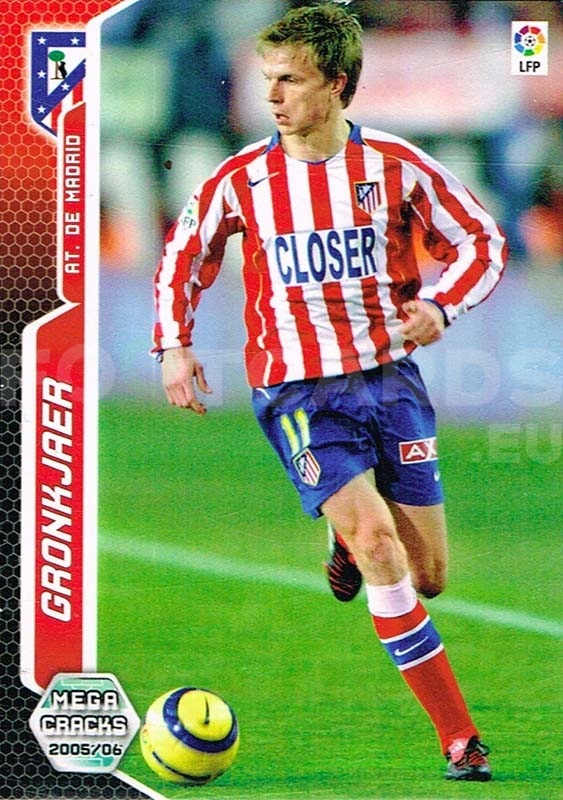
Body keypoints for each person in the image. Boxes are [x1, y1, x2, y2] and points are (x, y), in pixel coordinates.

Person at [152, 1, 507, 782]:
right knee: (379, 546)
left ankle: (340, 536)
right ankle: (459, 739)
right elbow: (183, 256)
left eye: (290, 80)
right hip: (297, 391)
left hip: (390, 381)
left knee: (428, 575)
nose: (271, 95)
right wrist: (174, 346)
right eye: (266, 78)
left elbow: (482, 240)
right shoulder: (241, 179)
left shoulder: (395, 166)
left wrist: (440, 306)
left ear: (338, 83)